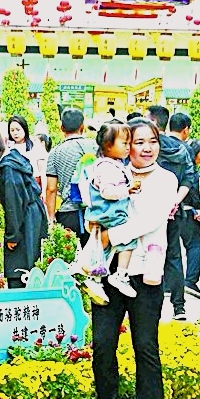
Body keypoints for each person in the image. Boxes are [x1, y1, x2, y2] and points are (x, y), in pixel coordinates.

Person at [90, 118, 180, 399]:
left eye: (152, 141)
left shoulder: (166, 179)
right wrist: (95, 231)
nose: (146, 148)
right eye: (138, 142)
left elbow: (151, 220)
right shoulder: (112, 173)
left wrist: (110, 236)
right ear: (126, 145)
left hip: (144, 273)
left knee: (145, 345)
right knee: (103, 344)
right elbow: (94, 205)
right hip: (108, 270)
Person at [0, 120, 48, 288]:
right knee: (27, 266)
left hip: (26, 217)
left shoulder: (8, 167)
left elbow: (14, 203)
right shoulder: (7, 159)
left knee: (19, 270)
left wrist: (12, 236)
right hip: (30, 214)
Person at [147, 104, 200, 320]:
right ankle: (179, 306)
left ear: (153, 121)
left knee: (149, 255)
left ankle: (152, 307)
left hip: (149, 211)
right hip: (175, 212)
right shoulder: (182, 149)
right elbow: (190, 178)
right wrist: (176, 201)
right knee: (174, 257)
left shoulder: (148, 147)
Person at [76, 121, 140, 299]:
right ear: (108, 145)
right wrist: (127, 190)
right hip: (110, 213)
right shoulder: (107, 167)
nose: (128, 147)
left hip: (102, 213)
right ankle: (121, 275)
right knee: (128, 239)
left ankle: (93, 276)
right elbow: (107, 192)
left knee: (102, 247)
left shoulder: (110, 164)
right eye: (124, 143)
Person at [171, 112, 200, 298]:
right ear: (185, 129)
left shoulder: (164, 148)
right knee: (194, 245)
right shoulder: (186, 155)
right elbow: (190, 185)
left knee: (172, 248)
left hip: (170, 210)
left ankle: (169, 285)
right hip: (186, 210)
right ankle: (190, 282)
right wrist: (197, 206)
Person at [45, 108, 94, 240]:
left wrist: (51, 219)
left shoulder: (55, 152)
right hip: (95, 211)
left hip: (68, 214)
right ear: (82, 126)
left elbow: (51, 189)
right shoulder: (95, 146)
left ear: (62, 128)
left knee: (69, 252)